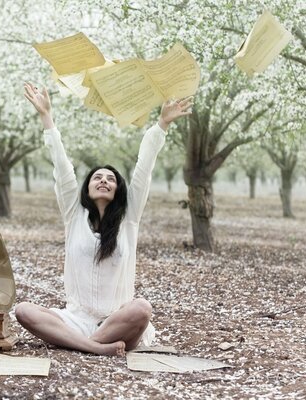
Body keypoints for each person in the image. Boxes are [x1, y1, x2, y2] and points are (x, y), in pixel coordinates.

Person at [17, 82, 193, 356]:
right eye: (97, 177)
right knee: (23, 310)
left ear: (117, 189)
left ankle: (82, 344)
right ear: (86, 187)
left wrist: (162, 125)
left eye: (110, 179)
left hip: (117, 321)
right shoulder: (73, 214)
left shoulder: (129, 217)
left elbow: (143, 170)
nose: (103, 181)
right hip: (75, 320)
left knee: (142, 308)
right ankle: (95, 347)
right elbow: (61, 167)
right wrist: (46, 117)